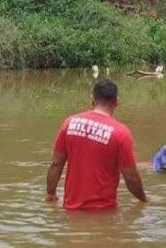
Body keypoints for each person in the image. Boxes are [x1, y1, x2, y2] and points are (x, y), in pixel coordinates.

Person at [46, 78, 147, 210]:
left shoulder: (69, 123)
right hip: (104, 212)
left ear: (92, 99)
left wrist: (51, 193)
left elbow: (56, 164)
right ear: (116, 102)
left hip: (71, 212)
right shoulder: (121, 133)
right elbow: (131, 177)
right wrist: (144, 200)